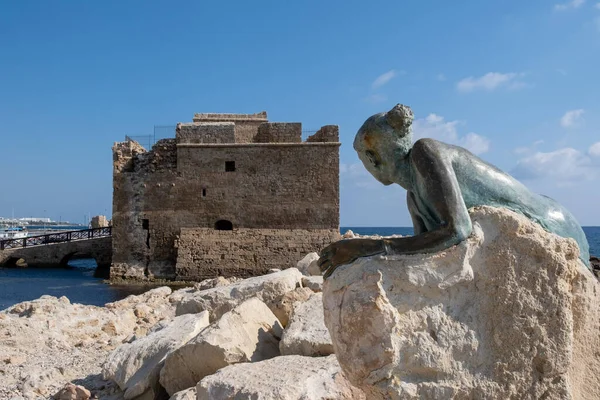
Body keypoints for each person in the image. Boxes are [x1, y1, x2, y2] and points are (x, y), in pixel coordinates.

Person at [319, 104, 590, 278]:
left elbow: (458, 230)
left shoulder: (426, 152)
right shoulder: (413, 196)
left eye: (362, 158)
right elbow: (424, 252)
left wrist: (366, 246)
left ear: (373, 158)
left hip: (554, 225)